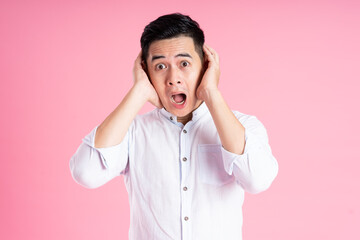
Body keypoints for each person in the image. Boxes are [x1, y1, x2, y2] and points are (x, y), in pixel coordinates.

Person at [70, 13, 278, 240]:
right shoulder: (132, 131)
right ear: (146, 72)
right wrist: (138, 92)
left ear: (205, 66)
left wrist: (211, 93)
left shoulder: (243, 126)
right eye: (160, 66)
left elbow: (257, 179)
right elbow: (85, 173)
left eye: (184, 63)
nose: (173, 78)